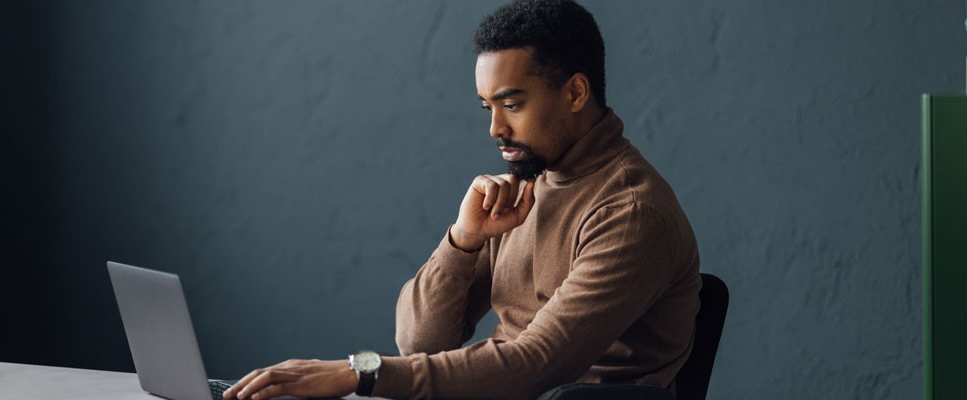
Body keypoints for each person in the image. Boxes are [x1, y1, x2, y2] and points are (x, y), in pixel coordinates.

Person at [224, 0, 700, 398]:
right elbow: (419, 343)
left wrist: (361, 373)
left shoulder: (631, 213)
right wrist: (463, 241)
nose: (495, 129)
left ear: (575, 92)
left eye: (511, 105)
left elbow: (537, 364)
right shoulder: (527, 186)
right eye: (487, 107)